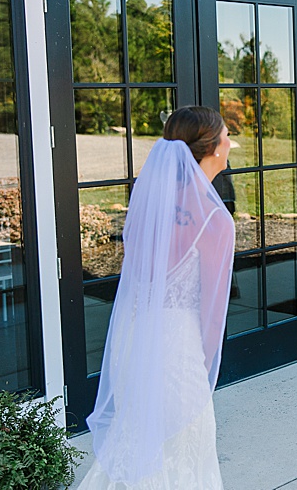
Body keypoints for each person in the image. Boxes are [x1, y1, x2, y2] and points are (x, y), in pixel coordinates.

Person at [79, 106, 236, 488]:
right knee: (184, 448)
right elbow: (214, 313)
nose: (231, 142)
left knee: (138, 441)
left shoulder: (150, 208)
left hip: (137, 338)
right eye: (227, 135)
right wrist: (203, 366)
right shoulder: (216, 222)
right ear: (213, 149)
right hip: (178, 350)